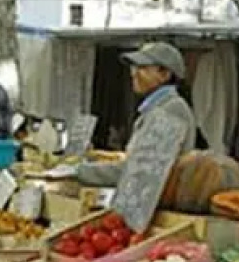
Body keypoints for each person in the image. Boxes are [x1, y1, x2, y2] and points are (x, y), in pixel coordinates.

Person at [79, 41, 197, 187]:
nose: (133, 73)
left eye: (142, 67)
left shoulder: (172, 110)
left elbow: (140, 171)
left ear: (164, 74)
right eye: (134, 67)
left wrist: (79, 172)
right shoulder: (158, 108)